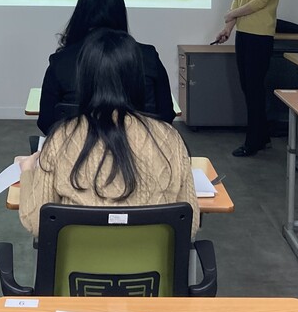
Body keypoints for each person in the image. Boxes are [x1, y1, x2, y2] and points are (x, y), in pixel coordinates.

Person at [18, 28, 199, 238]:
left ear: (83, 79)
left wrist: (28, 171)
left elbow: (36, 223)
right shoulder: (169, 138)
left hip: (80, 259)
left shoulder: (61, 138)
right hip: (151, 260)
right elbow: (190, 223)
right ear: (137, 79)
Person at [37, 0, 173, 135]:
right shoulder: (149, 57)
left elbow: (46, 122)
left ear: (80, 14)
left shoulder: (60, 61)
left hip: (77, 149)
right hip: (140, 148)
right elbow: (166, 116)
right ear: (120, 14)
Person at [214, 0, 284, 157]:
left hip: (260, 36)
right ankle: (262, 136)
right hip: (244, 34)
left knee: (254, 88)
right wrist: (228, 27)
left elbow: (260, 1)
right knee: (247, 87)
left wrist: (232, 14)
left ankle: (253, 141)